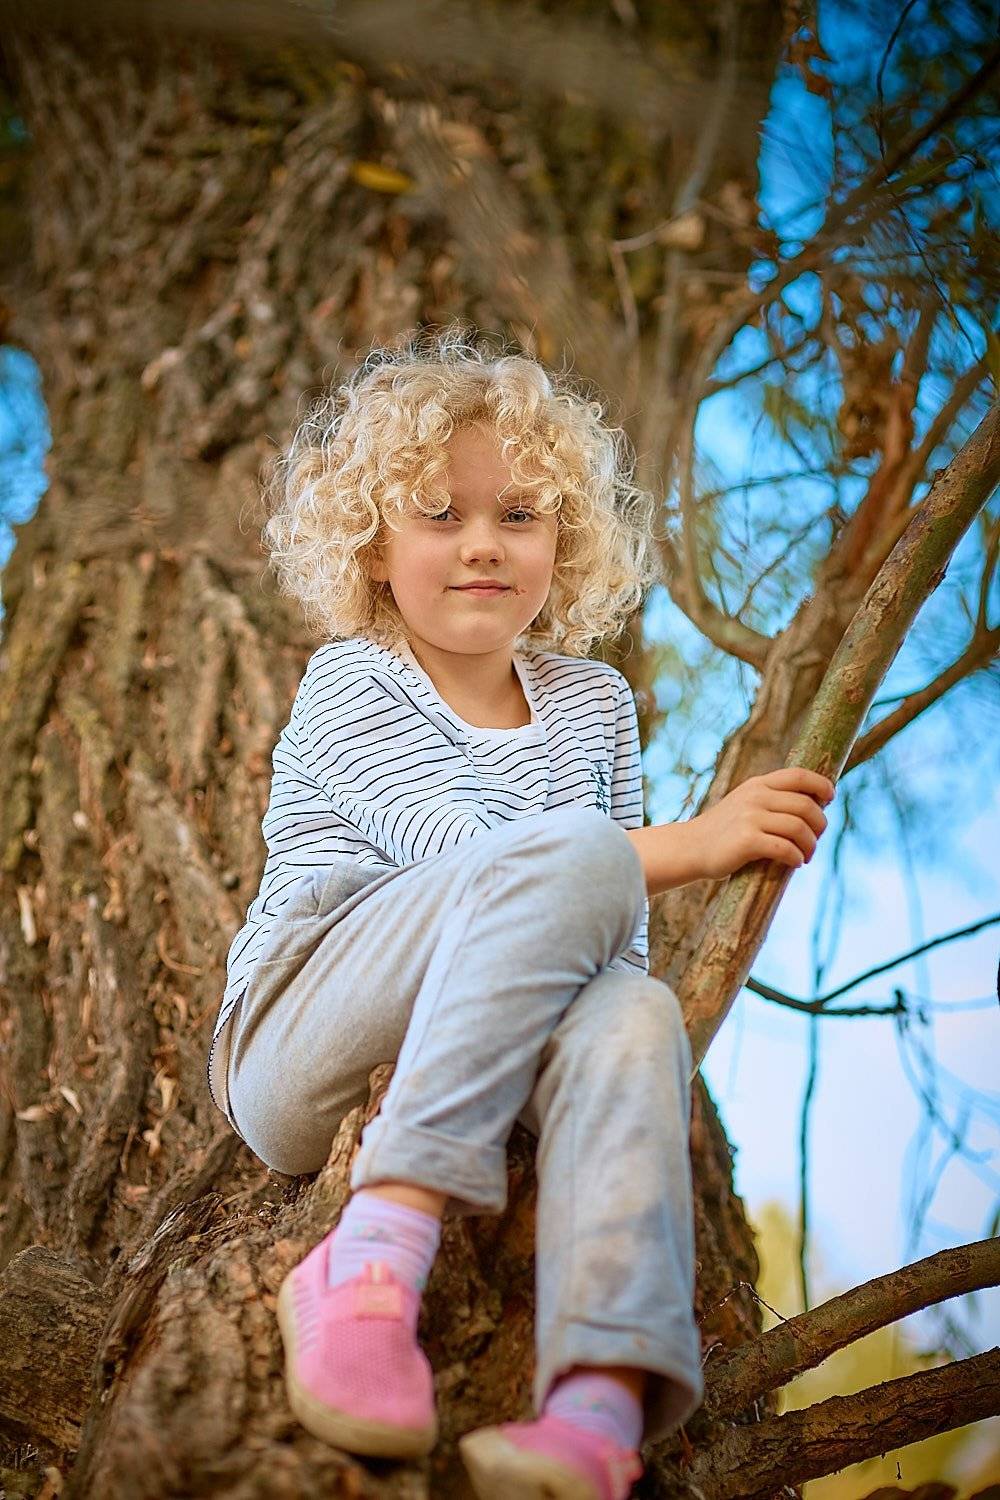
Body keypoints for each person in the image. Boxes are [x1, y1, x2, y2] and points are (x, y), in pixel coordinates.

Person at [206, 328, 834, 1500]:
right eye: (439, 515)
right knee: (576, 860)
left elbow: (607, 950)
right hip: (306, 1035)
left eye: (521, 515)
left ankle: (597, 1407)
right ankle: (376, 1247)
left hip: (498, 1050)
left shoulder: (592, 704)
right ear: (374, 548)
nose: (483, 543)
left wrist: (615, 983)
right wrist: (696, 843)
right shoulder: (354, 677)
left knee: (636, 1012)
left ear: (566, 541)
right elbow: (485, 865)